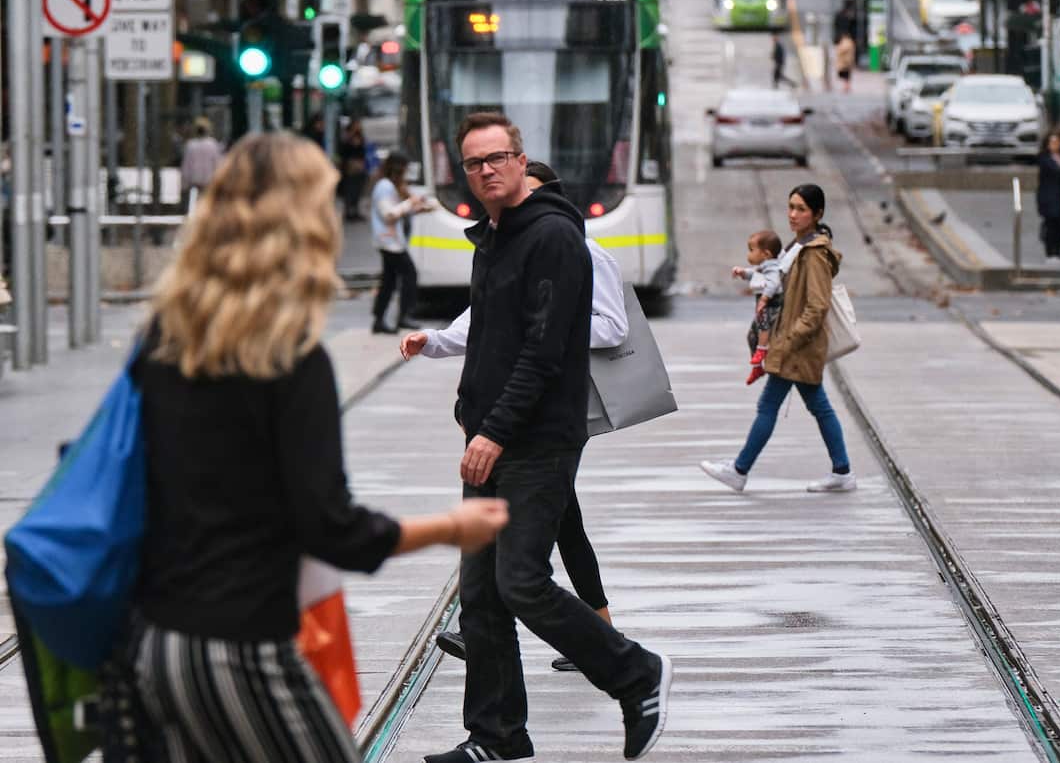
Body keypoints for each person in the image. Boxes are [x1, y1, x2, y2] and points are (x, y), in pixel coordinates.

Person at [116, 133, 509, 763]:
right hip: (243, 647)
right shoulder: (289, 358)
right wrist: (449, 527)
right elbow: (329, 526)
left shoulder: (164, 341)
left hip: (153, 643)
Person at [422, 112, 671, 763]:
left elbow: (544, 351)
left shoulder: (554, 236)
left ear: (520, 158)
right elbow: (490, 337)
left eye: (497, 158)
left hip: (535, 441)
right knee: (479, 598)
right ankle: (496, 737)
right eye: (474, 163)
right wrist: (465, 405)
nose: (486, 171)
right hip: (489, 434)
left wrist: (496, 431)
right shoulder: (494, 238)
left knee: (522, 581)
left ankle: (635, 673)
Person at [399, 160, 628, 672]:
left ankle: (593, 644)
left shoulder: (584, 252)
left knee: (526, 538)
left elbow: (612, 328)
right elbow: (478, 323)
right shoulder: (506, 252)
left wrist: (549, 330)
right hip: (509, 414)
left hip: (555, 411)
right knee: (561, 524)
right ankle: (596, 632)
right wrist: (433, 341)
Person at [700, 184, 856, 494]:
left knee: (769, 404)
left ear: (817, 214)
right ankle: (841, 471)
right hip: (796, 344)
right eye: (791, 207)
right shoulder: (797, 247)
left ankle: (740, 470)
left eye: (801, 209)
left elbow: (817, 306)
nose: (793, 215)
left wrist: (787, 340)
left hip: (798, 345)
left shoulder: (813, 255)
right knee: (817, 406)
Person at [371, 151, 433, 334]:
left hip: (391, 241)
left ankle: (379, 320)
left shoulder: (388, 185)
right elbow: (389, 214)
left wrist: (419, 208)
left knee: (389, 281)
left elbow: (398, 211)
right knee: (409, 274)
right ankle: (404, 316)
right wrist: (410, 202)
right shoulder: (384, 186)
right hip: (389, 242)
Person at [731, 229, 784, 385]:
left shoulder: (773, 267)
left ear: (766, 254)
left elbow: (773, 283)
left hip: (771, 306)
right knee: (752, 335)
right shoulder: (763, 266)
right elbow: (753, 273)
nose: (749, 255)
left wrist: (765, 299)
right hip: (764, 307)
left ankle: (761, 350)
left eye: (752, 250)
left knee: (763, 327)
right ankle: (757, 366)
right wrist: (742, 272)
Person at [1036, 131, 1060, 262]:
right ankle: (1051, 252)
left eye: (1057, 142)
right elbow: (1056, 170)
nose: (1055, 145)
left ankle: (1058, 250)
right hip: (1049, 197)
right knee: (1051, 225)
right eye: (1052, 142)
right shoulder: (1044, 158)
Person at [178, 117, 223, 203]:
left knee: (196, 201)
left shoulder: (191, 145)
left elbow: (187, 165)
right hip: (210, 179)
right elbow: (217, 163)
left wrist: (184, 183)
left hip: (195, 180)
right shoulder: (212, 144)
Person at [337, 120, 367, 221]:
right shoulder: (346, 139)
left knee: (357, 190)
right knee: (349, 190)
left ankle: (355, 211)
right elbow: (343, 153)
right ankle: (348, 212)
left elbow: (363, 151)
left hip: (359, 168)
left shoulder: (360, 138)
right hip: (349, 169)